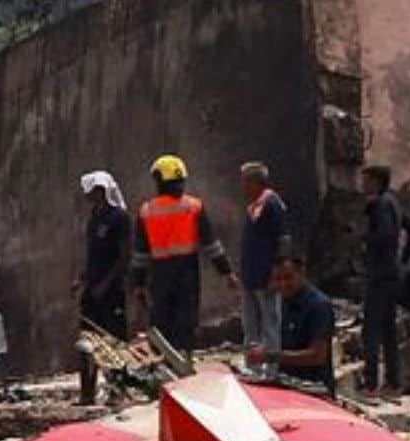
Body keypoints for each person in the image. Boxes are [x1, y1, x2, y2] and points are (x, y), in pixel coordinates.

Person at [131, 155, 238, 354]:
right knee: (186, 323)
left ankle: (163, 364)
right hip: (187, 272)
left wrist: (138, 284)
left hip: (160, 274)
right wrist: (226, 272)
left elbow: (140, 254)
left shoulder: (146, 211)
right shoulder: (194, 206)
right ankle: (184, 360)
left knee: (161, 323)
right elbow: (211, 245)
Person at [358, 165, 410, 395]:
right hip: (392, 273)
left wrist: (364, 238)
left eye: (366, 180)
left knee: (371, 329)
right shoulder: (392, 202)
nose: (362, 185)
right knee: (387, 329)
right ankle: (393, 381)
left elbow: (384, 235)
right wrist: (403, 260)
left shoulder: (382, 205)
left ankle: (371, 383)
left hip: (380, 274)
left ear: (376, 181)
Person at [74, 171, 132, 404]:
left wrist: (106, 284)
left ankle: (117, 390)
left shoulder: (119, 218)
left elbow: (124, 256)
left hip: (112, 290)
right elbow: (93, 257)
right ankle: (87, 392)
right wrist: (82, 280)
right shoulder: (93, 219)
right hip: (92, 290)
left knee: (114, 341)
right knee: (87, 341)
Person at [247, 253, 335, 396]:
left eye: (288, 278)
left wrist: (270, 356)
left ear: (301, 274)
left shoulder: (319, 306)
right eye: (278, 279)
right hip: (287, 384)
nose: (283, 284)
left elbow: (318, 356)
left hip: (313, 388)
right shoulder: (282, 302)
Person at [238, 161, 291, 374]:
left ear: (256, 182)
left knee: (270, 325)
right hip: (250, 276)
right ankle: (253, 368)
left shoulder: (272, 204)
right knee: (250, 326)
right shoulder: (254, 207)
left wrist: (276, 273)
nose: (242, 187)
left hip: (266, 276)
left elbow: (283, 241)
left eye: (245, 182)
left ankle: (272, 369)